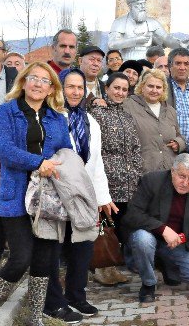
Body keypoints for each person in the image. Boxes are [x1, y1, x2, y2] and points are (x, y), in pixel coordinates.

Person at [0, 62, 71, 326]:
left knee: (44, 258)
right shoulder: (6, 112)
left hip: (49, 197)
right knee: (20, 257)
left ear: (52, 87)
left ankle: (35, 316)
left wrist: (62, 166)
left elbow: (66, 152)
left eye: (45, 80)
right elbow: (3, 151)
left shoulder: (58, 117)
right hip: (16, 194)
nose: (38, 84)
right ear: (24, 82)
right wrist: (39, 162)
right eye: (33, 78)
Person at [42, 68, 115, 321]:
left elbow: (97, 163)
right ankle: (54, 300)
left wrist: (102, 197)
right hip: (56, 192)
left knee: (83, 246)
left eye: (79, 87)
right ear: (59, 88)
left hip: (84, 194)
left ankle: (77, 295)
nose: (74, 92)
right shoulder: (49, 117)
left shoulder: (90, 122)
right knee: (52, 249)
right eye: (69, 86)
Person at [123, 154, 189, 303]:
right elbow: (132, 215)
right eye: (181, 176)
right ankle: (148, 284)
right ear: (172, 171)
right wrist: (162, 229)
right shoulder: (152, 181)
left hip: (176, 244)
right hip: (149, 236)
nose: (185, 183)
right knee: (143, 239)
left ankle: (166, 267)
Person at [88, 72, 143, 286]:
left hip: (129, 183)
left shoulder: (127, 116)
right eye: (116, 88)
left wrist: (137, 172)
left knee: (121, 226)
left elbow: (135, 148)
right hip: (107, 182)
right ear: (107, 89)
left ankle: (116, 264)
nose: (120, 92)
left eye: (124, 89)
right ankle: (102, 268)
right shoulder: (97, 113)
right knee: (104, 226)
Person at [124, 69, 186, 172]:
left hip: (169, 170)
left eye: (158, 87)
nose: (154, 90)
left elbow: (179, 136)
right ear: (142, 87)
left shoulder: (170, 110)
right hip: (142, 172)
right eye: (150, 86)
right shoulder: (128, 105)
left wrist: (178, 143)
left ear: (163, 90)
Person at [108, 0, 189, 61]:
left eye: (144, 3)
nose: (142, 7)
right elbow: (112, 44)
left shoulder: (152, 22)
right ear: (130, 6)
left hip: (149, 62)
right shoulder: (119, 22)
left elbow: (166, 39)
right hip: (126, 62)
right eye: (139, 4)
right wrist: (136, 40)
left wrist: (179, 44)